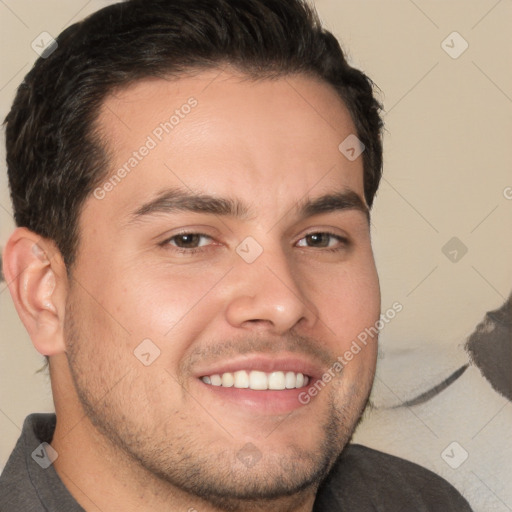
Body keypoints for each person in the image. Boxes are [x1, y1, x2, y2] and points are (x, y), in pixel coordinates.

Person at [0, 0, 473, 510]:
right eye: (189, 240)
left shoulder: (417, 501)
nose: (281, 302)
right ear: (43, 293)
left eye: (320, 238)